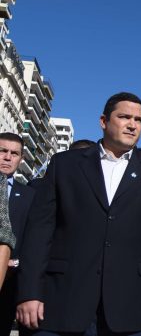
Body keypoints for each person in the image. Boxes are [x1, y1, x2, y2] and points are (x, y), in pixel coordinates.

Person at [17, 92, 141, 335]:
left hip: (132, 306)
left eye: (138, 120)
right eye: (124, 117)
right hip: (64, 302)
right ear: (103, 121)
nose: (132, 125)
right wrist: (29, 292)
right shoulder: (65, 165)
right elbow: (39, 233)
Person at [0, 133, 34, 336]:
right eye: (3, 151)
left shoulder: (31, 196)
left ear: (21, 159)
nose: (7, 157)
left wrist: (16, 262)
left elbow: (32, 237)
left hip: (9, 286)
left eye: (14, 153)